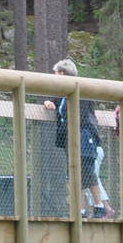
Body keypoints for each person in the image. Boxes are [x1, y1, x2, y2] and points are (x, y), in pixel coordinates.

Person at [44, 58, 108, 218]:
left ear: (63, 73)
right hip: (68, 139)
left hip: (84, 136)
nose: (54, 76)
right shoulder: (62, 93)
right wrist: (48, 102)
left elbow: (81, 116)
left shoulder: (82, 90)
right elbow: (56, 102)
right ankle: (80, 210)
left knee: (86, 171)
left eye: (56, 73)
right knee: (72, 173)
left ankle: (99, 205)